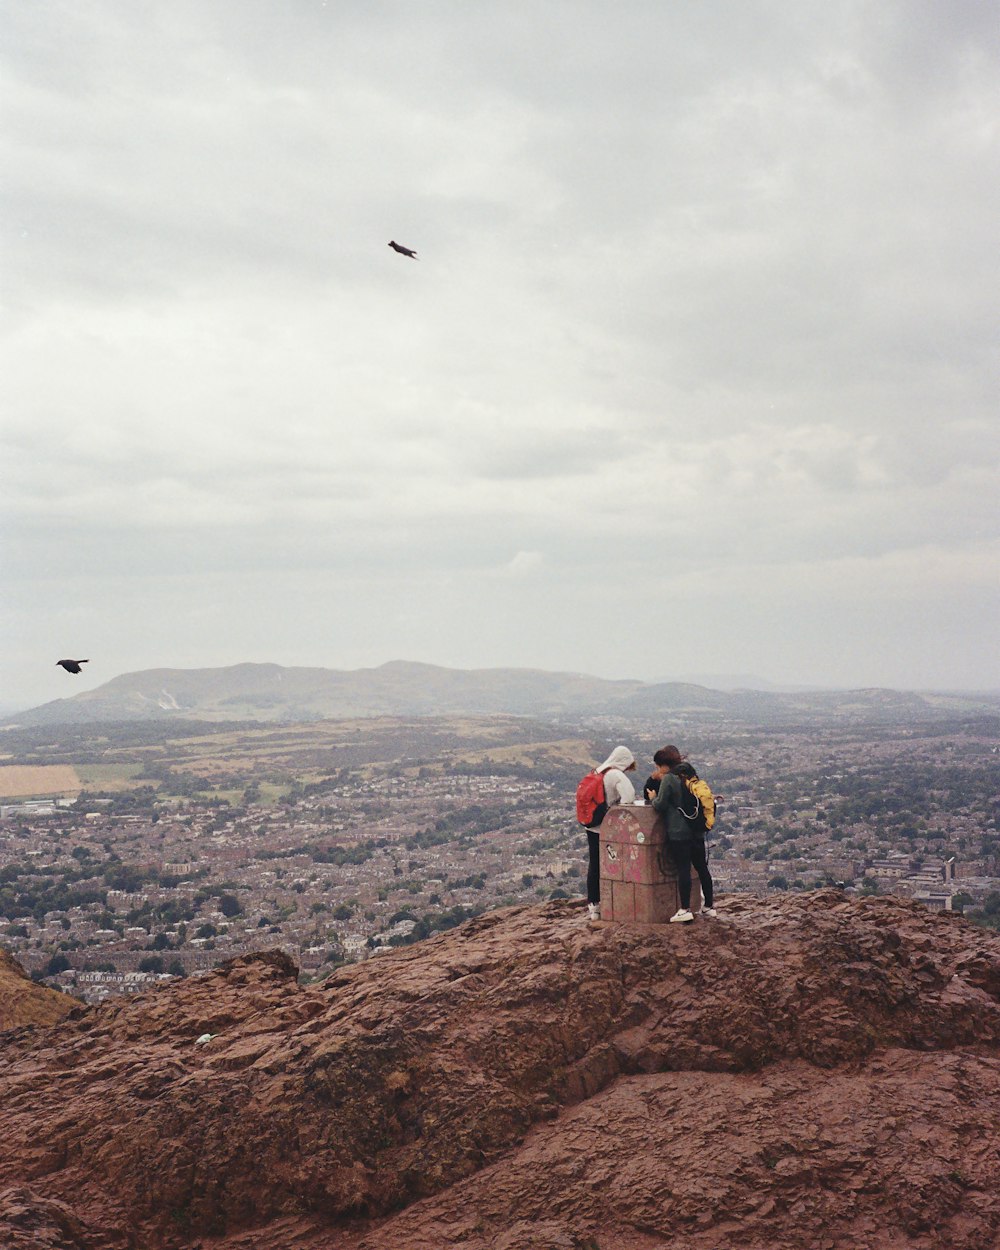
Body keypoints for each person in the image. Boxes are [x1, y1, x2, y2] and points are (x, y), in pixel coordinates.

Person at [650, 745, 716, 923]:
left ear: (664, 765)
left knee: (683, 869)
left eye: (658, 766)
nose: (657, 770)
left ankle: (684, 908)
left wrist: (652, 798)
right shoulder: (688, 773)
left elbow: (661, 804)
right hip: (696, 829)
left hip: (679, 832)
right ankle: (709, 906)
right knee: (702, 867)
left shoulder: (669, 779)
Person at [584, 746, 636, 921]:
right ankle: (617, 902)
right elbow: (629, 797)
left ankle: (594, 906)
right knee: (616, 863)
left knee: (595, 864)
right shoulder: (616, 775)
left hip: (591, 825)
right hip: (608, 828)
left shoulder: (598, 771)